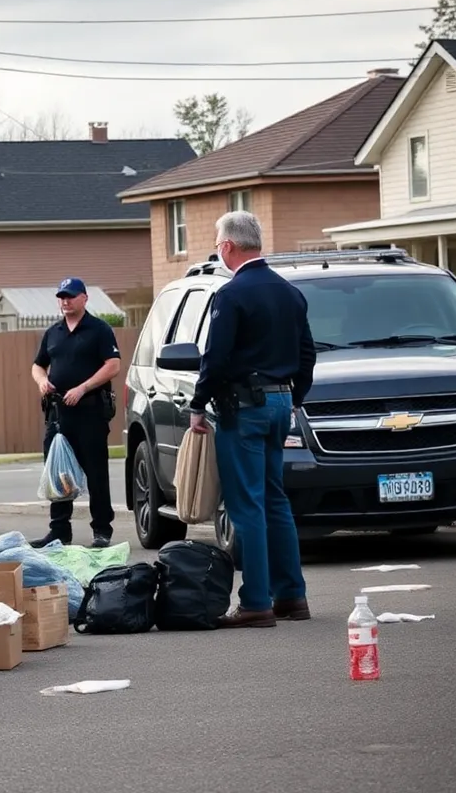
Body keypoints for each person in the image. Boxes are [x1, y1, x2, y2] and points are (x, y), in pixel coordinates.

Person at [188, 211, 316, 629]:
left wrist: (197, 403)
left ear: (227, 246)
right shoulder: (290, 293)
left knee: (247, 505)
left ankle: (256, 601)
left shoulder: (231, 295)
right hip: (282, 402)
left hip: (243, 407)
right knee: (276, 500)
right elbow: (307, 355)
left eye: (217, 245)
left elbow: (217, 357)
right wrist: (294, 396)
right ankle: (292, 596)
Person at [29, 277, 121, 549]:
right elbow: (38, 366)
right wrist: (42, 381)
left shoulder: (99, 329)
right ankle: (59, 531)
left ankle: (101, 530)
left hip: (90, 411)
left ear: (84, 298)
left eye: (70, 296)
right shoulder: (53, 332)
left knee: (96, 472)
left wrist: (83, 388)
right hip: (58, 414)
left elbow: (113, 365)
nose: (65, 301)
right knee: (57, 471)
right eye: (61, 297)